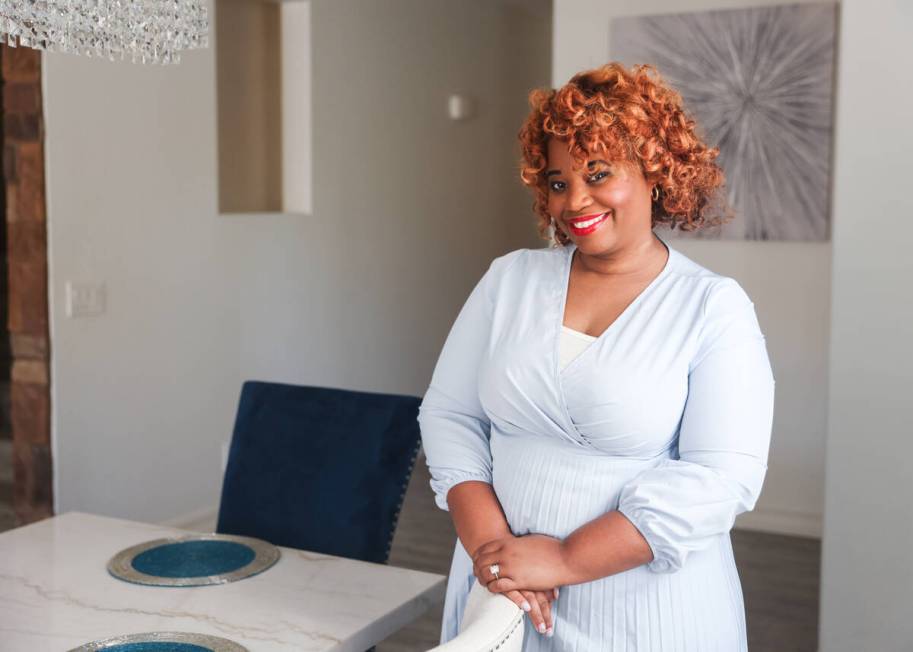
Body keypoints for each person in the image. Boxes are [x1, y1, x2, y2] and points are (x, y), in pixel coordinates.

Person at [418, 62, 775, 651]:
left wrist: (563, 558)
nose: (574, 200)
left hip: (642, 607)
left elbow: (721, 477)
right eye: (558, 181)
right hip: (504, 595)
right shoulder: (509, 280)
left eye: (598, 173)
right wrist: (495, 556)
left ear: (655, 171)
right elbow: (449, 414)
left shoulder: (712, 307)